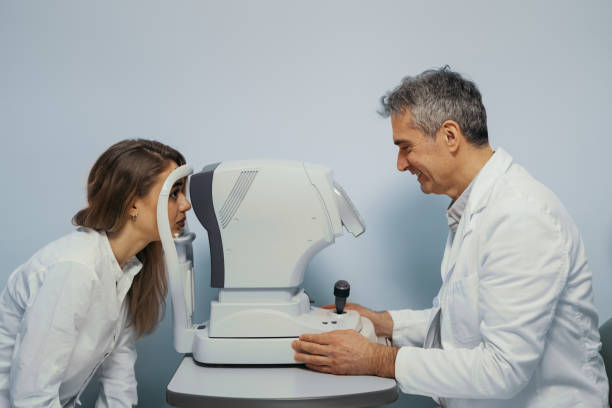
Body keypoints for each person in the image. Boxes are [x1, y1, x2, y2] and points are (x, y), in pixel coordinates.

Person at [292, 67, 609, 407]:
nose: (401, 164)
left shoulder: (521, 217)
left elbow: (502, 368)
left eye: (405, 147)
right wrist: (383, 323)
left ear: (450, 136)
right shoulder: (475, 210)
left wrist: (376, 359)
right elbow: (462, 325)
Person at [0, 139, 192, 407]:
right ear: (132, 205)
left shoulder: (125, 270)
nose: (186, 205)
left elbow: (119, 381)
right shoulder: (76, 268)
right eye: (174, 193)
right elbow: (32, 398)